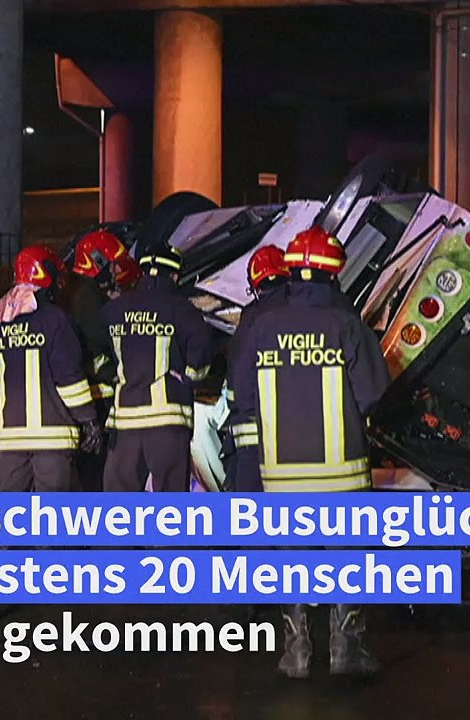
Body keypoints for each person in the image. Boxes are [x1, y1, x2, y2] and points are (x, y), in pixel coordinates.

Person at [230, 226, 391, 679]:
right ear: (331, 276)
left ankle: (296, 653)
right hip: (342, 474)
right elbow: (374, 392)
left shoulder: (261, 327)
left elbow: (242, 393)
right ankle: (346, 652)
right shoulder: (346, 325)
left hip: (282, 476)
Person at [0, 245, 101, 492]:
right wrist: (88, 419)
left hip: (11, 441)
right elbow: (70, 381)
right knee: (52, 520)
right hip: (53, 442)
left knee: (10, 519)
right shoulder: (56, 321)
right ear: (47, 277)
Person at [100, 245, 214, 492]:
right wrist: (188, 379)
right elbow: (202, 353)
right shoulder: (182, 310)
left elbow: (94, 354)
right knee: (170, 503)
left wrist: (113, 378)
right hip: (168, 423)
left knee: (119, 507)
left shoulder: (113, 310)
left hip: (124, 426)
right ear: (174, 275)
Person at [68, 229, 140, 489]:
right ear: (97, 263)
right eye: (112, 265)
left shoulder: (92, 294)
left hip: (101, 393)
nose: (116, 271)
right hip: (99, 396)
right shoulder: (88, 299)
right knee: (98, 473)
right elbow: (104, 339)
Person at [222, 245, 290, 492]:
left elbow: (238, 376)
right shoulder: (306, 312)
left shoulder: (252, 316)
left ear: (256, 284)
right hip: (299, 435)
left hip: (253, 435)